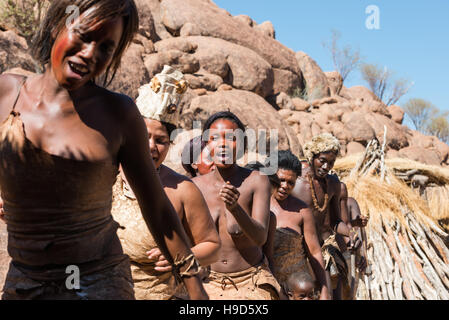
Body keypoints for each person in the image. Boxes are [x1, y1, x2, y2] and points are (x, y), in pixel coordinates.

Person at [0, 0, 207, 300]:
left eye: (105, 48)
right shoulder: (7, 93)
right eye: (83, 35)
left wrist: (195, 289)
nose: (89, 54)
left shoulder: (118, 115)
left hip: (97, 282)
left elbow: (157, 208)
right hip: (26, 280)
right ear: (58, 22)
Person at [111, 66, 220, 300]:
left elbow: (212, 246)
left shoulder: (182, 189)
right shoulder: (106, 176)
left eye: (160, 141)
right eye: (144, 136)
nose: (151, 146)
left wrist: (181, 255)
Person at [193, 111, 282, 300]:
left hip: (250, 280)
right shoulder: (196, 186)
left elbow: (260, 237)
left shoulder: (257, 181)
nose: (223, 144)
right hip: (208, 283)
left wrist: (235, 208)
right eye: (214, 138)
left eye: (232, 138)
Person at [291, 133, 360, 300]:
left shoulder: (333, 185)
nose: (326, 166)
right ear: (312, 156)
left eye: (331, 162)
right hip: (296, 251)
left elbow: (336, 221)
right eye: (322, 160)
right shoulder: (296, 181)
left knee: (328, 294)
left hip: (322, 250)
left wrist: (350, 233)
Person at [267, 150, 330, 300]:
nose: (285, 186)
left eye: (291, 183)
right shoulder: (259, 205)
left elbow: (314, 252)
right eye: (280, 180)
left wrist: (325, 290)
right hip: (267, 283)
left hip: (299, 289)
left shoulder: (302, 210)